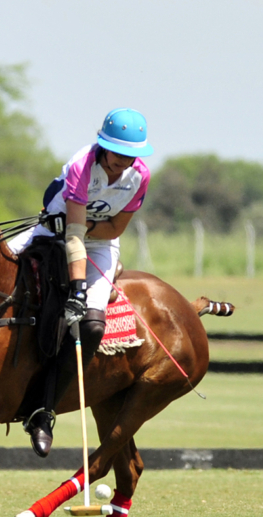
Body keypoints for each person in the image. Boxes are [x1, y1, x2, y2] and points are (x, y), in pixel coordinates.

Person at [9, 108, 154, 457]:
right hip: (53, 232)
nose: (122, 163)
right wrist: (76, 289)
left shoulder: (140, 176)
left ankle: (44, 412)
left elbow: (115, 229)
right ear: (104, 147)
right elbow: (70, 236)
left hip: (101, 244)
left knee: (90, 326)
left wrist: (90, 231)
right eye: (117, 154)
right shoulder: (82, 165)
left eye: (130, 156)